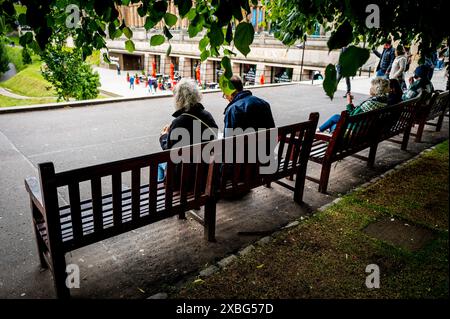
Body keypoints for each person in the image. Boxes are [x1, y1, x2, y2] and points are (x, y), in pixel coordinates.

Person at [159, 78, 218, 182]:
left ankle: (164, 189)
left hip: (185, 178)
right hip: (206, 173)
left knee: (160, 163)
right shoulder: (208, 116)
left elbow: (169, 152)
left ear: (179, 99)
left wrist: (164, 136)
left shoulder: (178, 122)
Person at [318, 78, 390, 133]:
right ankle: (319, 130)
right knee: (335, 117)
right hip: (365, 129)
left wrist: (349, 102)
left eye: (372, 86)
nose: (370, 88)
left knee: (333, 125)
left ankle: (318, 132)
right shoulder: (383, 102)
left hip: (354, 130)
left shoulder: (370, 104)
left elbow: (351, 115)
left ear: (376, 89)